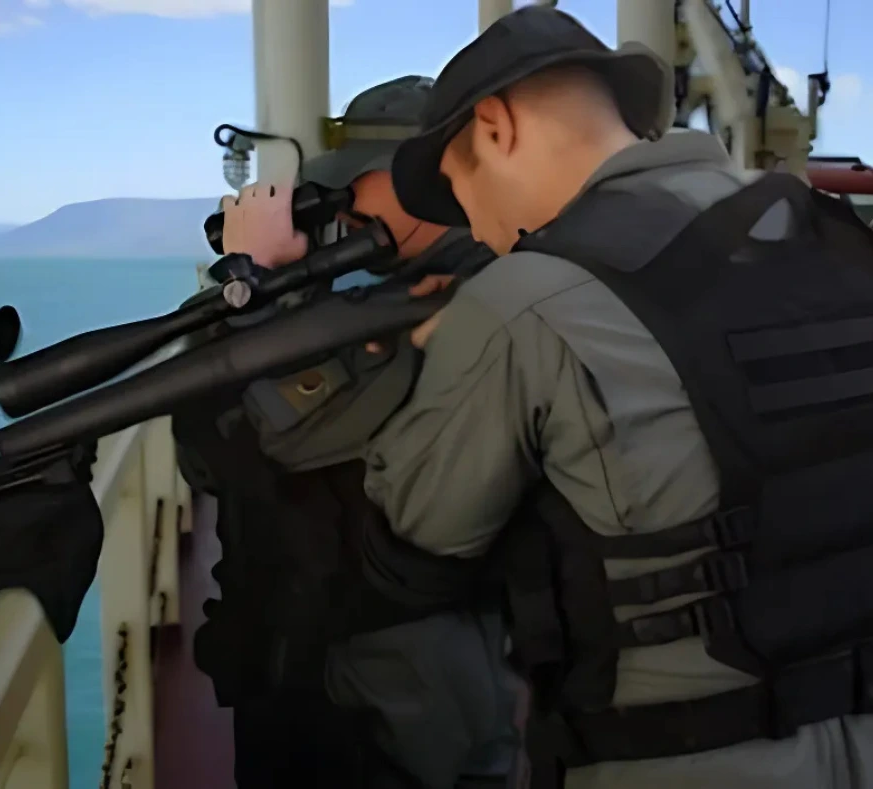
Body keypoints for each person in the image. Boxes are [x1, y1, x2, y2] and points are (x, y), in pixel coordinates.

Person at [343, 6, 873, 789]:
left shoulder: (519, 299)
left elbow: (409, 554)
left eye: (459, 189)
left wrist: (438, 358)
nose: (476, 231)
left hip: (683, 760)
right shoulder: (830, 233)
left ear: (496, 127)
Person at [173, 75, 518, 789]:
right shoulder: (362, 290)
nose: (344, 201)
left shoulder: (474, 293)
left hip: (406, 695)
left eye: (362, 180)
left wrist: (254, 291)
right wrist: (258, 291)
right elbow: (204, 453)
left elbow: (280, 433)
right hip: (296, 666)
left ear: (435, 178)